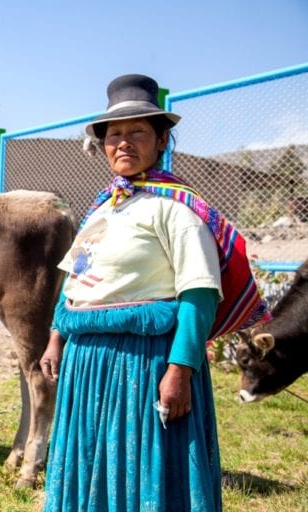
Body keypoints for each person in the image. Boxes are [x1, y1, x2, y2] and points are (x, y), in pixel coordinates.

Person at [39, 74, 270, 512]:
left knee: (143, 472)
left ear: (162, 139)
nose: (123, 143)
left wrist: (179, 371)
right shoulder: (102, 208)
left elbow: (200, 296)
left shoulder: (178, 210)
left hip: (142, 363)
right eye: (114, 135)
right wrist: (56, 337)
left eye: (137, 132)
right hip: (88, 363)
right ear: (103, 145)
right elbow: (75, 280)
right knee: (90, 466)